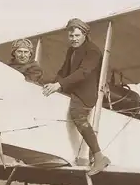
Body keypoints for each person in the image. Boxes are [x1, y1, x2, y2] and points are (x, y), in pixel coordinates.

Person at [42, 18, 110, 176]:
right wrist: (52, 84)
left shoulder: (93, 51)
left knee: (78, 115)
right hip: (72, 90)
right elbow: (63, 71)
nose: (73, 39)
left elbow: (83, 72)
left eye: (77, 35)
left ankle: (99, 157)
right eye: (71, 36)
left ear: (84, 35)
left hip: (85, 93)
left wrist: (59, 85)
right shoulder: (71, 50)